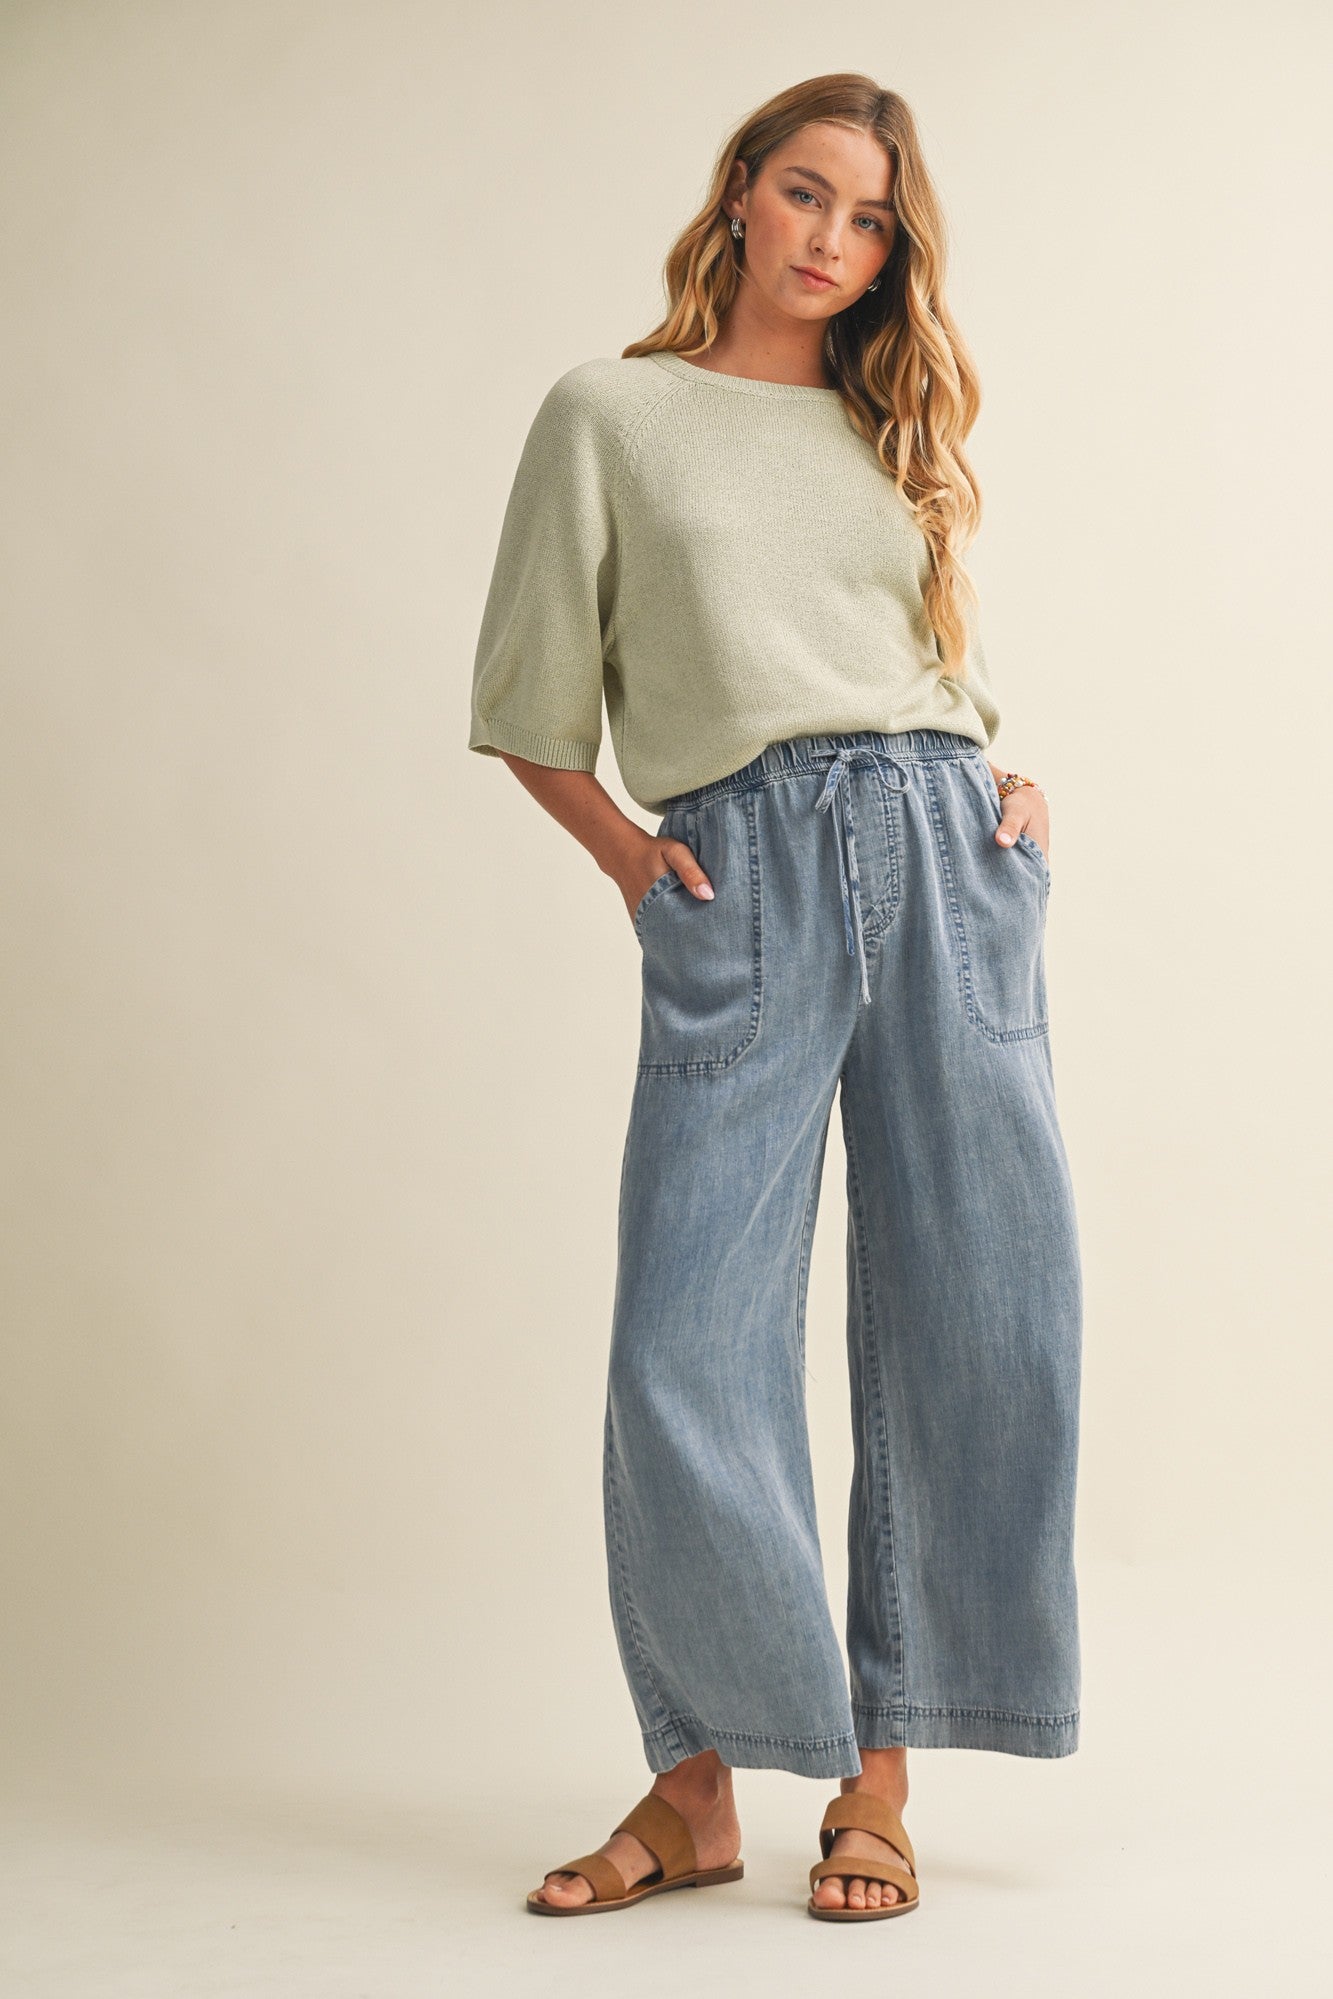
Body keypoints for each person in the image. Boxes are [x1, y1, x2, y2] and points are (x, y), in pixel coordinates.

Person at [468, 72, 1082, 1925]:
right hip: (740, 864)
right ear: (739, 196)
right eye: (803, 194)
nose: (831, 238)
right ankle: (696, 1783)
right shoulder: (613, 413)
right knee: (687, 1331)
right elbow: (524, 698)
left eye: (869, 216)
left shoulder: (889, 421)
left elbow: (921, 658)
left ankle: (877, 1779)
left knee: (983, 1301)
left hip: (943, 850)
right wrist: (625, 855)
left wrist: (1005, 782)